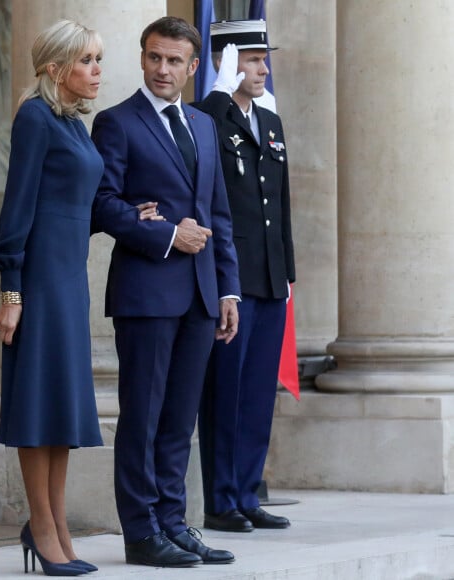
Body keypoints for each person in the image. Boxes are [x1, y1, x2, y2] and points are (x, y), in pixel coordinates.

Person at [91, 16, 241, 568]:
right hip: (145, 295)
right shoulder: (116, 122)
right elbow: (101, 203)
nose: (162, 69)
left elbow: (218, 214)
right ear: (143, 57)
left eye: (174, 60)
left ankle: (175, 523)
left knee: (180, 419)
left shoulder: (203, 125)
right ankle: (141, 532)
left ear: (192, 67)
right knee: (143, 416)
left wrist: (230, 290)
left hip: (202, 296)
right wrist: (164, 233)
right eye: (154, 57)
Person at [0, 19, 108, 577]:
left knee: (59, 405)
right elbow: (18, 210)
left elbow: (79, 205)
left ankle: (57, 526)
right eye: (86, 61)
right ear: (56, 69)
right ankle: (41, 526)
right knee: (37, 405)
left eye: (98, 60)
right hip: (37, 281)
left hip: (68, 280)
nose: (97, 71)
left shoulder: (75, 126)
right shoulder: (35, 118)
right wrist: (12, 290)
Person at [194, 19, 296, 533]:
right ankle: (220, 498)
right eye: (251, 59)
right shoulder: (210, 116)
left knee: (257, 391)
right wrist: (217, 93)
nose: (262, 69)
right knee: (225, 390)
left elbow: (280, 203)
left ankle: (248, 490)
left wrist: (289, 272)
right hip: (229, 278)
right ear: (224, 62)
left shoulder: (269, 122)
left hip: (270, 278)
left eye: (262, 59)